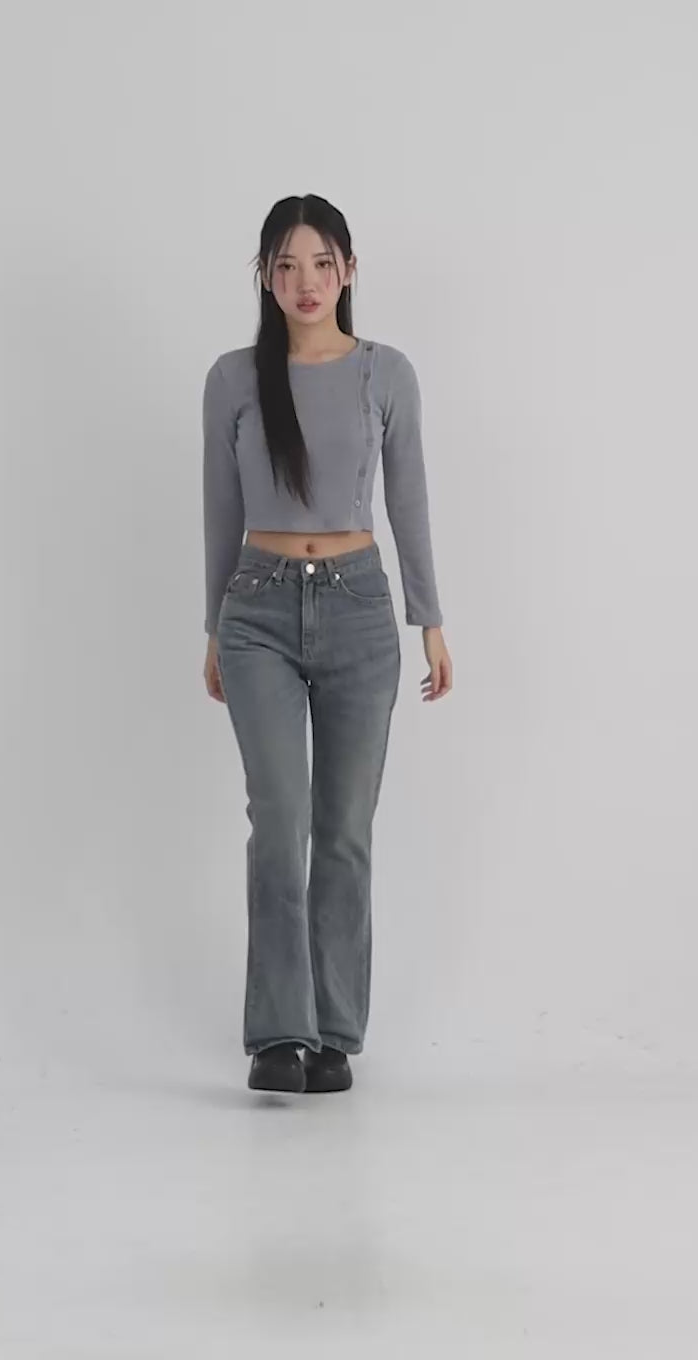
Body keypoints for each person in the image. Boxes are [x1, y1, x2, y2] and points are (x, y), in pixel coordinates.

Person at [202, 193, 452, 1095]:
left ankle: (336, 1033)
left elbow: (408, 498)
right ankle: (279, 1033)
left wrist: (430, 620)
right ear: (265, 278)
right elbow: (221, 508)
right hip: (258, 612)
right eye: (285, 265)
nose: (304, 282)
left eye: (320, 262)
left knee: (343, 830)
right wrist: (212, 628)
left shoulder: (387, 374)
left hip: (359, 611)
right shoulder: (235, 378)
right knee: (279, 822)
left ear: (348, 269)